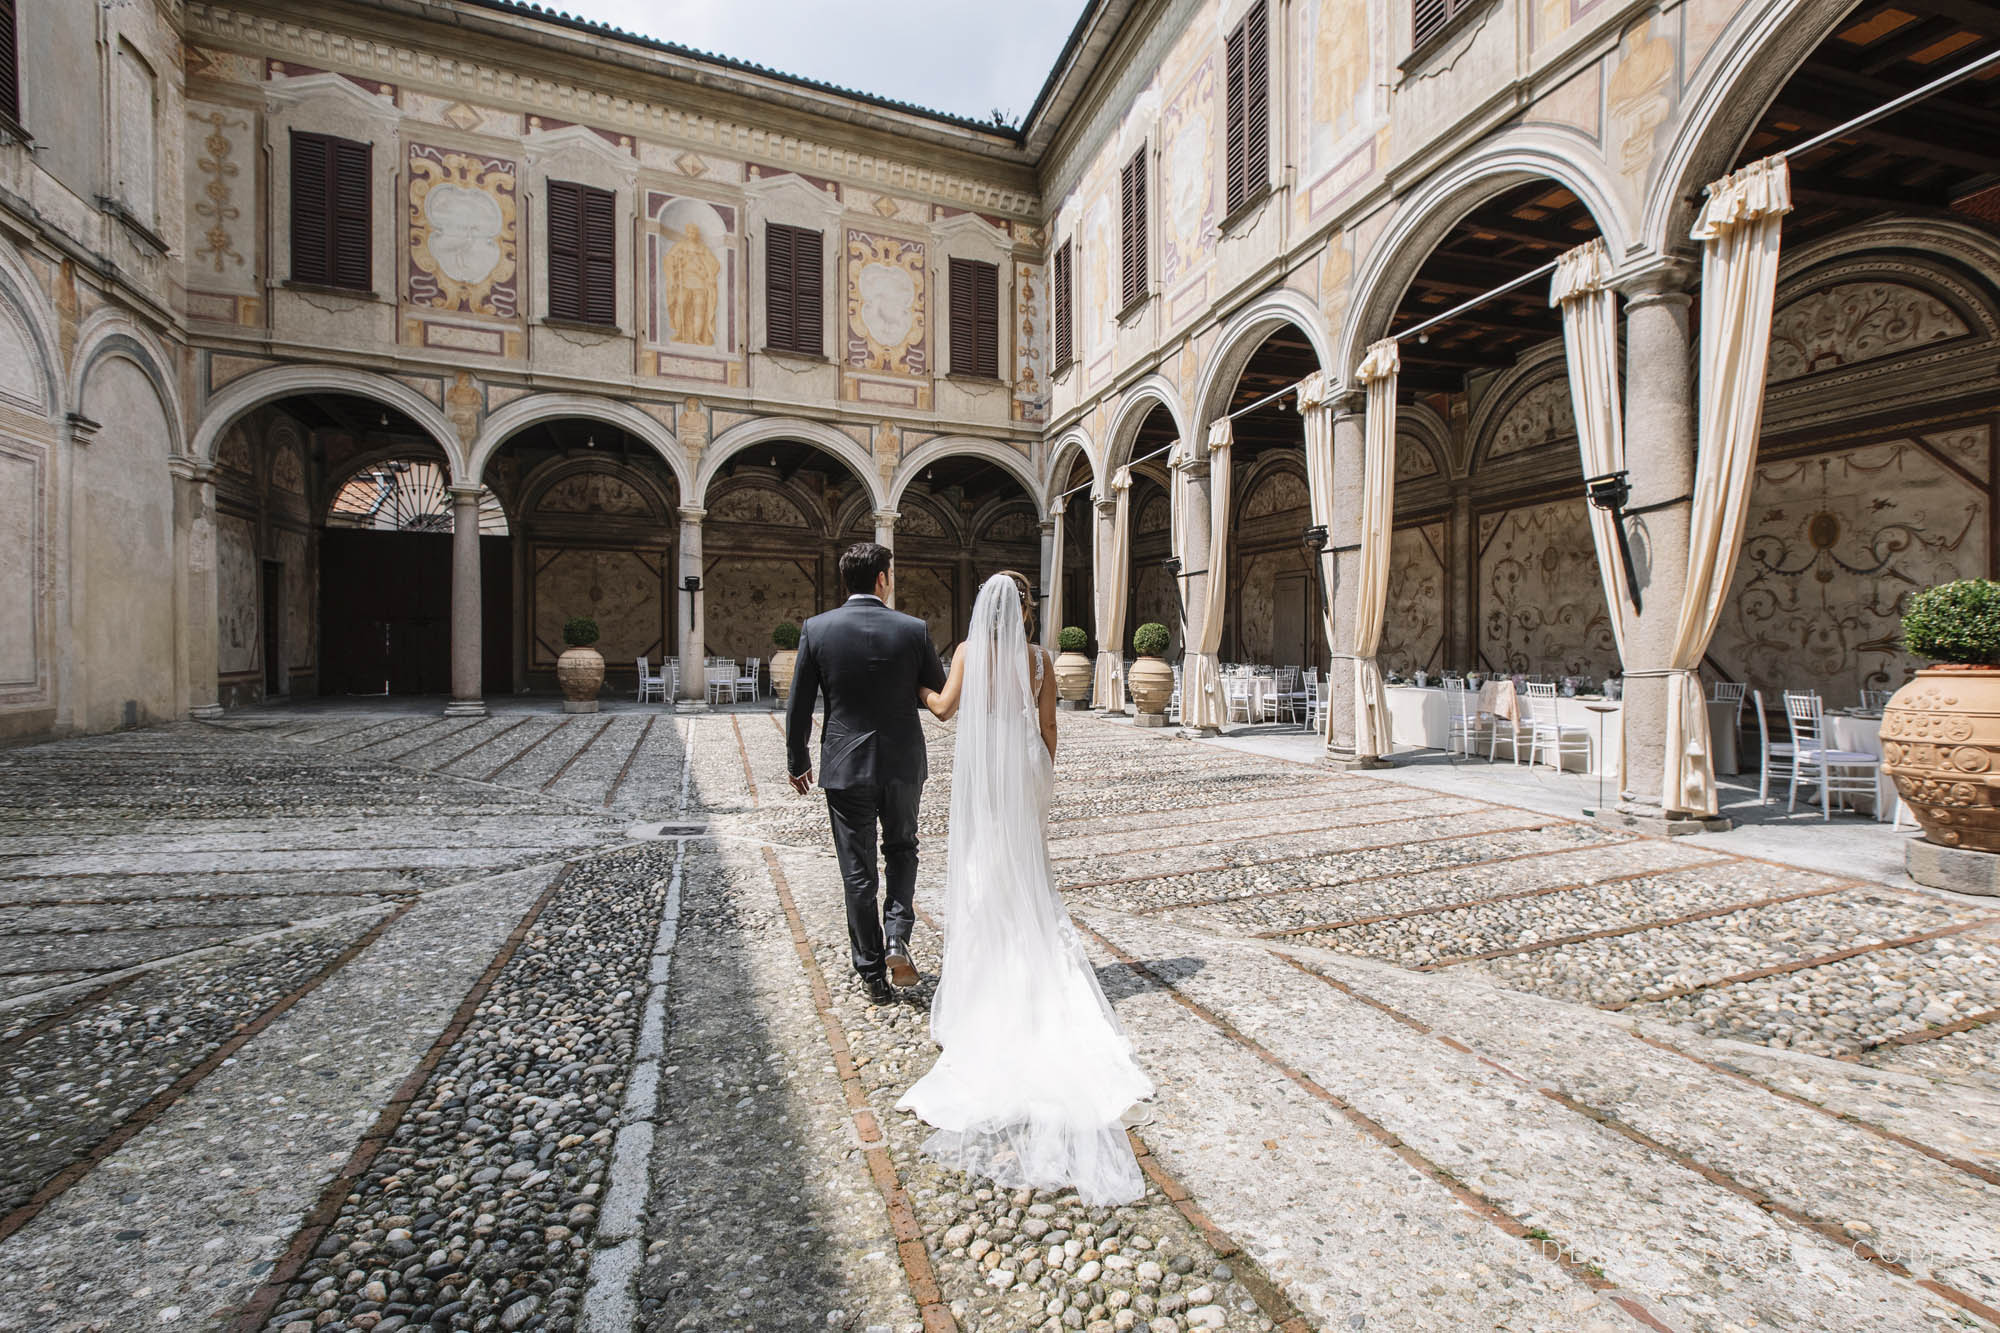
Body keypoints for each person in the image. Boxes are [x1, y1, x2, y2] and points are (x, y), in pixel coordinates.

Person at [896, 571, 1153, 1205]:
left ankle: (983, 981)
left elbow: (944, 709)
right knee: (1028, 874)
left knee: (982, 874)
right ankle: (1031, 971)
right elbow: (1050, 730)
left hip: (984, 780)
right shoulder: (1038, 660)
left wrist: (916, 684)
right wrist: (1042, 779)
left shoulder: (964, 653)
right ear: (1026, 612)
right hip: (1023, 773)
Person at [785, 542, 945, 1005]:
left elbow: (799, 703)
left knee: (857, 870)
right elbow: (933, 690)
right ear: (881, 578)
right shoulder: (913, 629)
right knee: (902, 849)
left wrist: (798, 761)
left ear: (846, 580)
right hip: (901, 761)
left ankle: (872, 972)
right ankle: (898, 936)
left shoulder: (817, 629)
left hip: (844, 764)